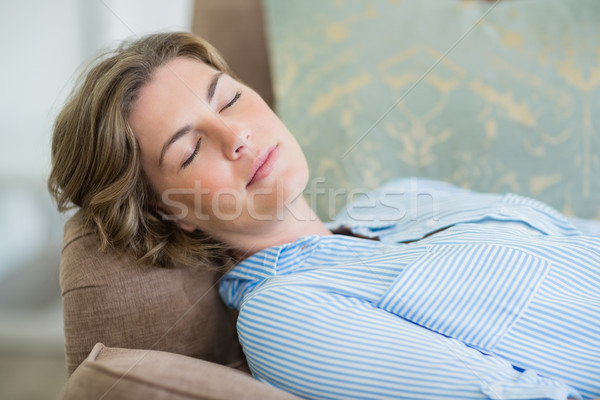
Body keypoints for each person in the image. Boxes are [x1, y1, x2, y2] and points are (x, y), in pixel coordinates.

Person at [48, 32, 599, 400]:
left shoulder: (403, 197)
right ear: (176, 216)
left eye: (229, 100)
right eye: (189, 151)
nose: (235, 136)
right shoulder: (284, 315)